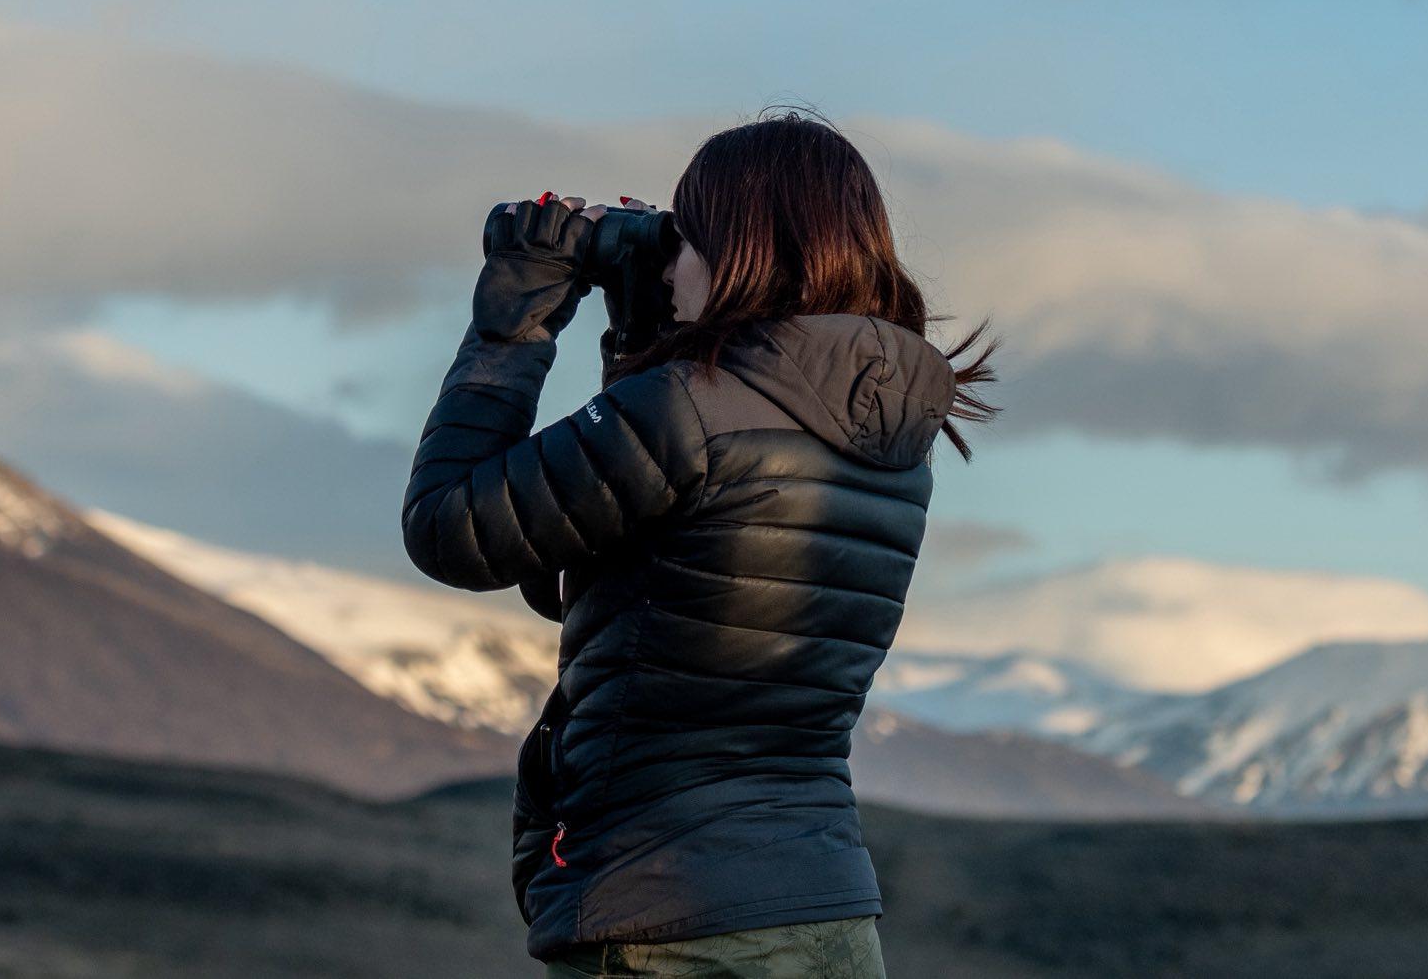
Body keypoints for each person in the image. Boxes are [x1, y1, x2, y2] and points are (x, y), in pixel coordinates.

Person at [401, 108, 1001, 977]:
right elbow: (659, 537)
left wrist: (513, 322)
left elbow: (451, 527)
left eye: (684, 236)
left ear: (741, 251)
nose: (666, 258)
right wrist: (649, 341)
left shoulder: (686, 410)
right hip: (826, 917)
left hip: (670, 919)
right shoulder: (888, 432)